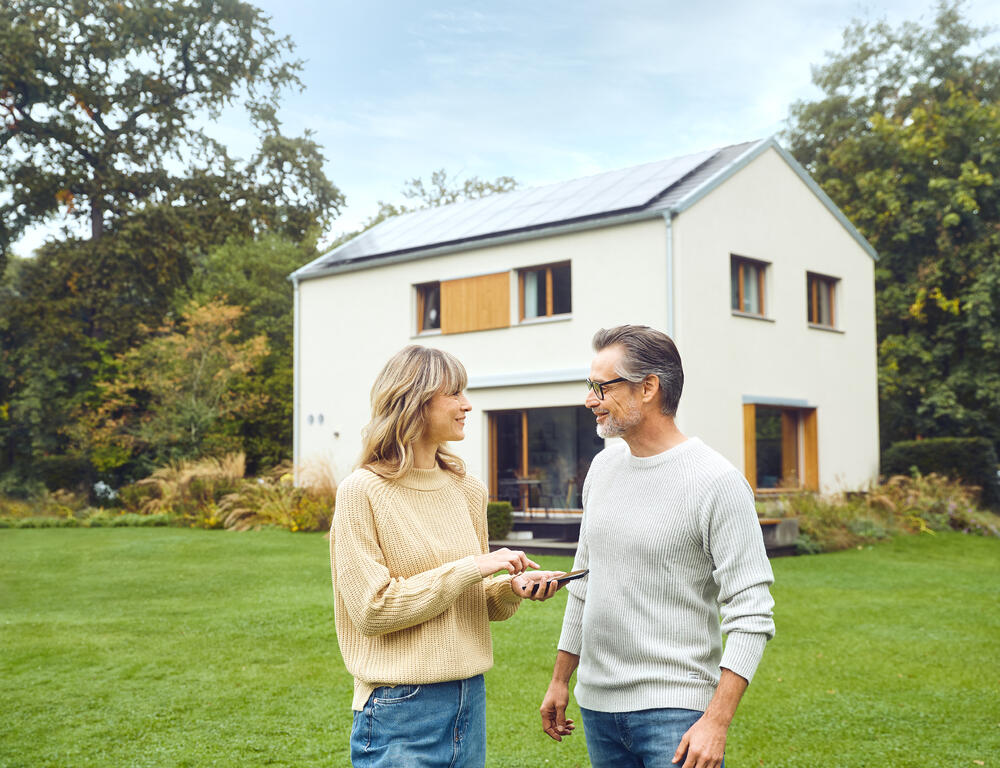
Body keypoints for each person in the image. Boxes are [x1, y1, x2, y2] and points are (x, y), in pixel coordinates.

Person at [539, 325, 775, 768]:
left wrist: (716, 722)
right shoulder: (603, 468)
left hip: (677, 713)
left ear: (648, 388)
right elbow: (584, 580)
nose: (590, 399)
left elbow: (752, 613)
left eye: (601, 387)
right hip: (598, 709)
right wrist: (560, 679)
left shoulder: (717, 483)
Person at [331, 344, 563, 768]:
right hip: (398, 706)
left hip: (468, 697)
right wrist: (472, 567)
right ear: (414, 402)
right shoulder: (361, 492)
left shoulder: (466, 488)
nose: (467, 405)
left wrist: (511, 588)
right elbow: (372, 609)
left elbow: (478, 598)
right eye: (454, 393)